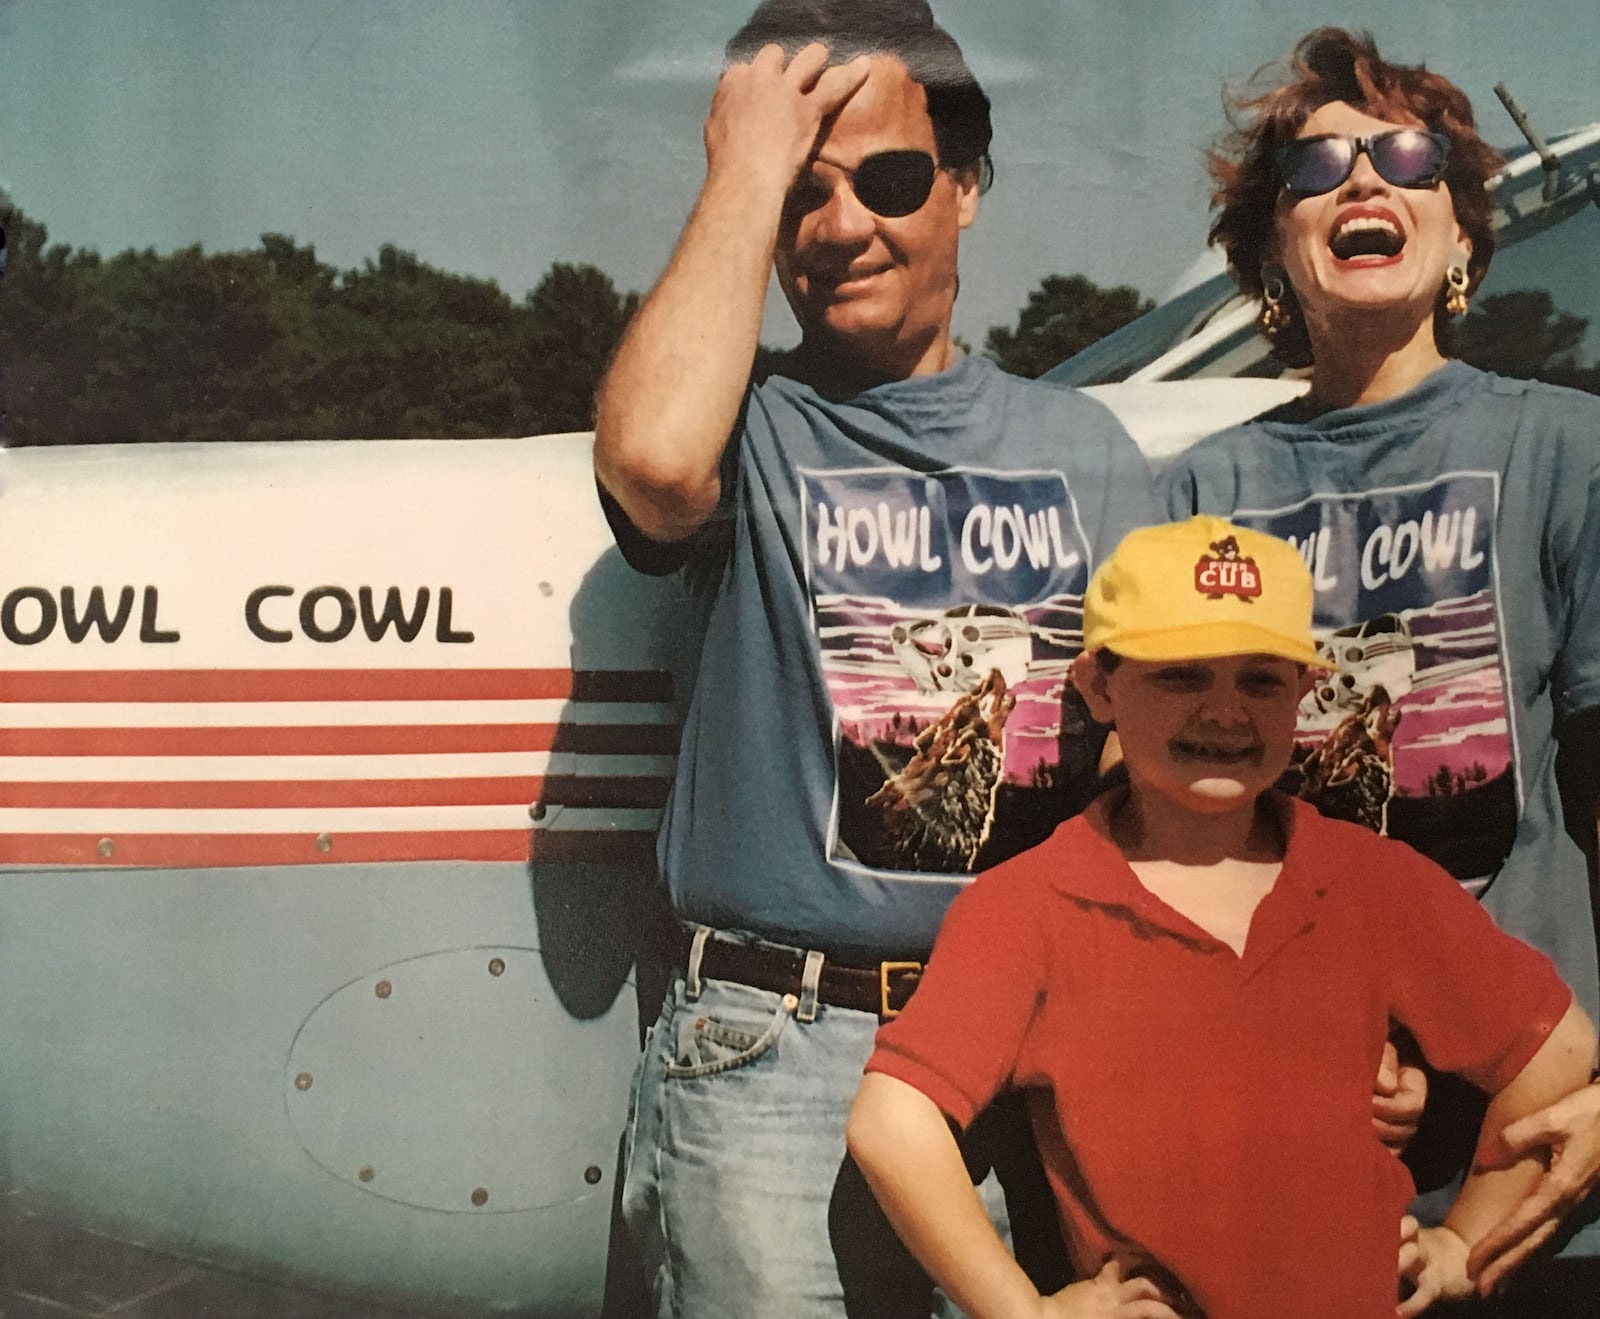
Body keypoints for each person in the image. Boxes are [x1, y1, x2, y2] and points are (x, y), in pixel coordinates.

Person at [592, 0, 1161, 1312]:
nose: (842, 225)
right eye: (804, 192)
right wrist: (742, 163)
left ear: (965, 190)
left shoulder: (1086, 453)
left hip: (1014, 1050)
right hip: (763, 1047)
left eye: (893, 180)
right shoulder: (749, 422)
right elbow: (656, 464)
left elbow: (1161, 776)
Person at [848, 516, 1598, 1319]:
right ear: (1100, 686)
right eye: (1181, 675)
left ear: (1305, 694)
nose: (1226, 711)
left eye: (1262, 680)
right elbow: (893, 1120)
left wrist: (1462, 1241)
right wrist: (1027, 1311)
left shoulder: (1368, 881)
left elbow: (1555, 1051)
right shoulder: (1030, 903)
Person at [1159, 27, 1600, 1311]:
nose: (1364, 180)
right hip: (1292, 1149)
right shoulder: (1199, 493)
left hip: (1535, 1158)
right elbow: (1172, 841)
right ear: (1270, 256)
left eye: (1405, 156)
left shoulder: (1566, 451)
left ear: (1459, 234)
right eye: (1319, 168)